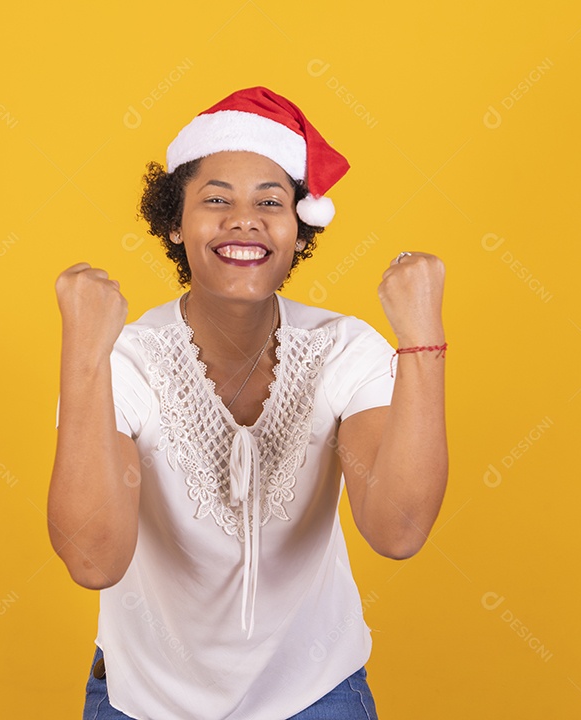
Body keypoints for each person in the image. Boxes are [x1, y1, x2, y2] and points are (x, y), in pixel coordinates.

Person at [49, 86, 448, 720]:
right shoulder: (123, 360)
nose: (244, 219)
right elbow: (94, 559)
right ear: (175, 224)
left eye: (270, 201)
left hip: (318, 696)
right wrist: (83, 355)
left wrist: (421, 338)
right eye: (216, 200)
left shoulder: (344, 350)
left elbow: (398, 531)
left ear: (299, 229)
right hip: (143, 702)